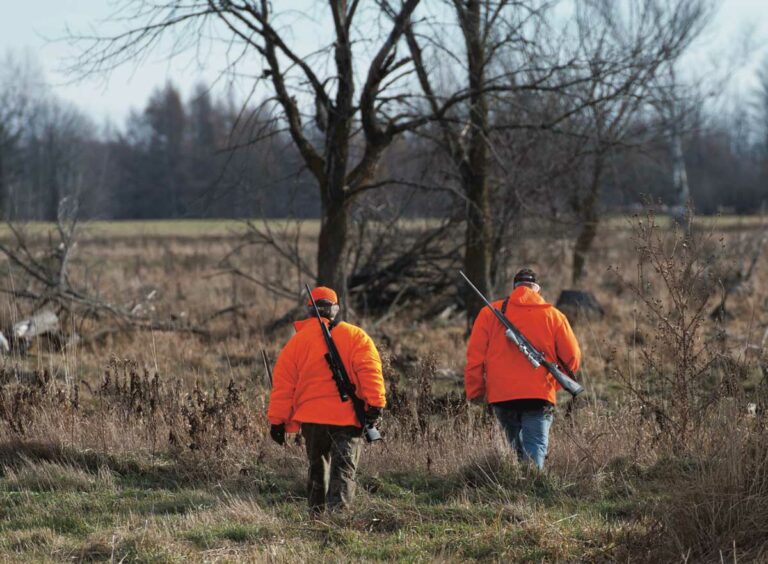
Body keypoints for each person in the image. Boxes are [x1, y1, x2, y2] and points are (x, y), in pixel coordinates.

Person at [267, 286, 386, 514]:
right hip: (347, 418)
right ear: (336, 309)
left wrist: (278, 421)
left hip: (312, 420)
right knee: (343, 471)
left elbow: (283, 386)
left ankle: (316, 518)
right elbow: (370, 371)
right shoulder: (356, 336)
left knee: (317, 469)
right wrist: (375, 405)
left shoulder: (296, 343)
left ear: (310, 310)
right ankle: (338, 519)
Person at [464, 268, 581, 469]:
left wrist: (476, 391)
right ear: (536, 289)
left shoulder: (488, 313)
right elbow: (572, 356)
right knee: (535, 445)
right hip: (539, 394)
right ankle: (533, 488)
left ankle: (518, 484)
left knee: (515, 449)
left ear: (514, 288)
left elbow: (475, 358)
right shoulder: (554, 315)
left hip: (501, 395)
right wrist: (553, 381)